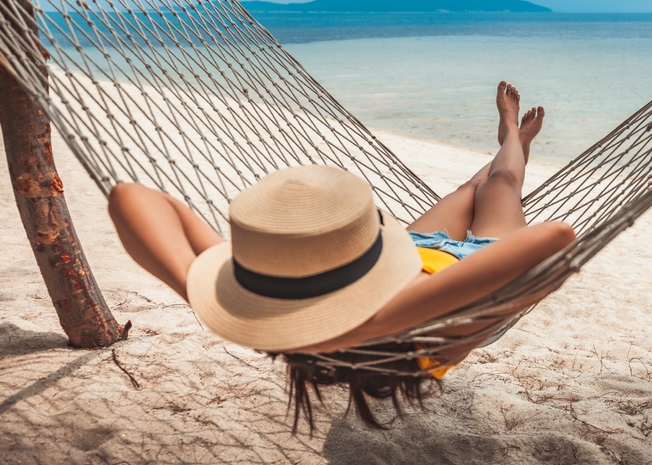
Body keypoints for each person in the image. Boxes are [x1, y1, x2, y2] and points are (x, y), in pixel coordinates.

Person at [108, 81, 576, 431]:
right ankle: (513, 137)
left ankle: (510, 144)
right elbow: (555, 239)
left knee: (466, 188)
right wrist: (377, 318)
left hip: (398, 254)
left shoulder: (276, 300)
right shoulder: (428, 331)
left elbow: (129, 196)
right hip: (477, 270)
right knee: (497, 185)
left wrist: (202, 293)